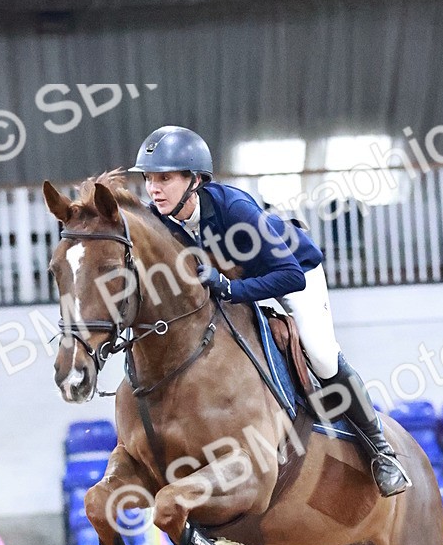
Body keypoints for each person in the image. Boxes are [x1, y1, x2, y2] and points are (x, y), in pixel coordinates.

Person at [128, 124, 409, 497]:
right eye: (148, 179)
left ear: (194, 180)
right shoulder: (160, 218)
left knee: (322, 356)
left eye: (164, 178)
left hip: (292, 275)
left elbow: (290, 275)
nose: (153, 189)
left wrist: (231, 289)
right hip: (236, 285)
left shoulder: (234, 209)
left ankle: (380, 451)